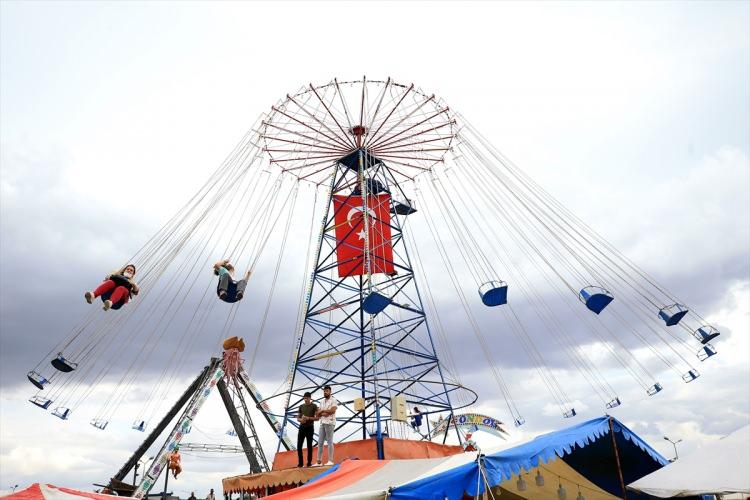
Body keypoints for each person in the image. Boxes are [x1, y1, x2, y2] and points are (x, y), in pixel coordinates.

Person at [314, 385, 337, 466]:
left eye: (327, 391)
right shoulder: (322, 401)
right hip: (322, 423)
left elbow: (332, 411)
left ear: (330, 392)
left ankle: (330, 460)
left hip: (330, 423)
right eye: (324, 391)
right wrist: (323, 412)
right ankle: (318, 461)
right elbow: (317, 414)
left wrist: (322, 410)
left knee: (330, 442)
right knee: (320, 443)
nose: (325, 392)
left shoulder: (333, 400)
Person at [296, 391, 318, 467]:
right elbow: (298, 418)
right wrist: (301, 420)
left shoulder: (314, 406)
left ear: (310, 398)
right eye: (304, 398)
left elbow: (317, 418)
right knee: (299, 446)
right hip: (302, 427)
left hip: (310, 427)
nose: (305, 400)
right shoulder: (301, 406)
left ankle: (309, 463)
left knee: (309, 446)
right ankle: (300, 463)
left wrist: (308, 418)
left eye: (307, 398)